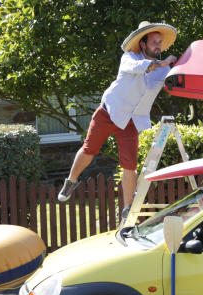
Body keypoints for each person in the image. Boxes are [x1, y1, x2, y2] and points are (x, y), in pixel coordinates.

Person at [58, 21, 178, 218]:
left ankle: (127, 208)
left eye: (160, 42)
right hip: (109, 111)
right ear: (142, 44)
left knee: (129, 165)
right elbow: (140, 67)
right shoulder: (129, 58)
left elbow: (175, 80)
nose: (158, 45)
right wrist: (161, 63)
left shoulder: (164, 71)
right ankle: (70, 181)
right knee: (90, 149)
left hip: (131, 120)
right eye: (154, 42)